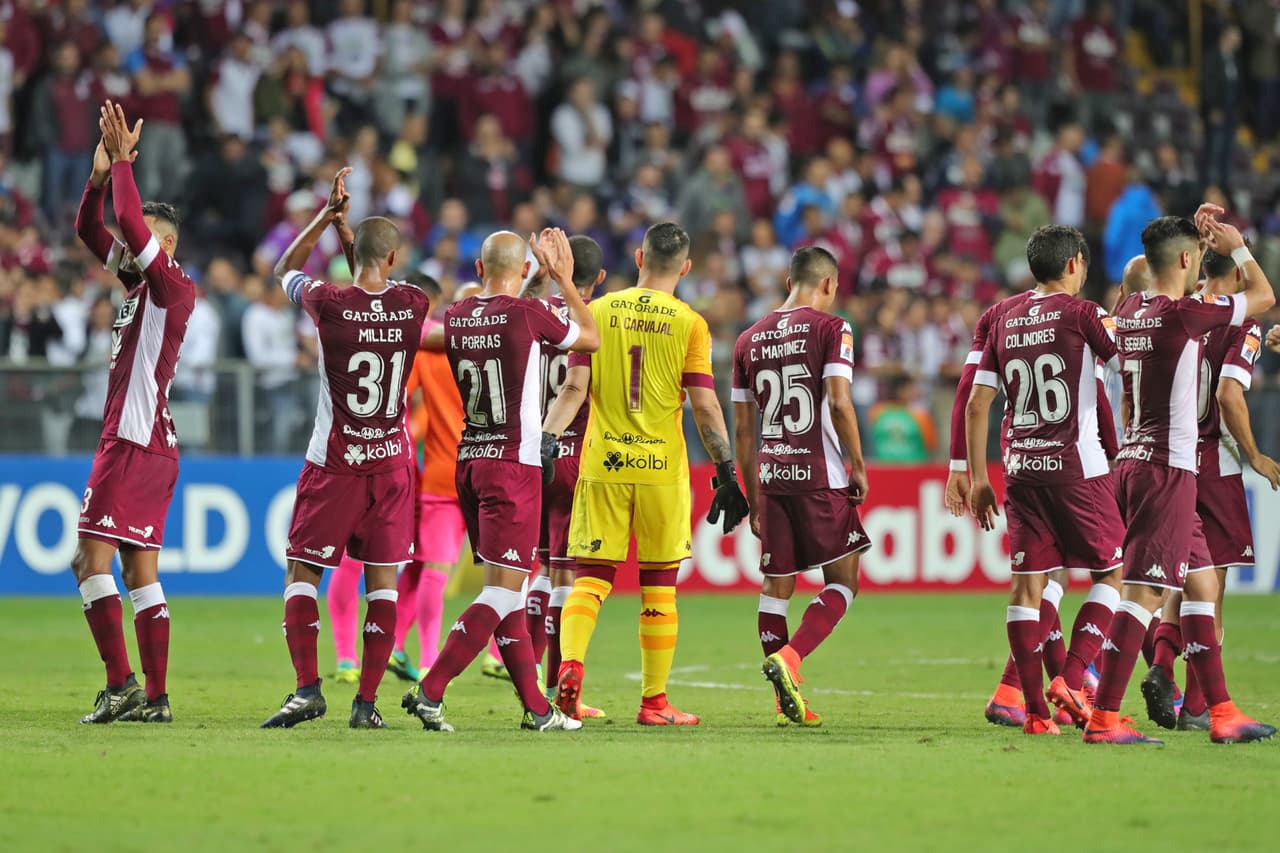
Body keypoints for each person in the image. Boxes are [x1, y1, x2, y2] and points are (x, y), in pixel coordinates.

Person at [1079, 210, 1276, 744]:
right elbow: (1262, 298)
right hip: (1166, 467)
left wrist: (1185, 234)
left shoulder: (1132, 306)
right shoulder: (1185, 314)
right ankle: (1103, 719)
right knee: (1144, 594)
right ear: (1189, 260)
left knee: (1203, 584)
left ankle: (1221, 713)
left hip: (1139, 460)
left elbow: (1147, 267)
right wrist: (1235, 246)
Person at [401, 229, 598, 733]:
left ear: (477, 271)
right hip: (515, 465)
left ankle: (536, 709)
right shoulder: (529, 314)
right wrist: (564, 279)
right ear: (524, 271)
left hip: (471, 460)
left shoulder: (459, 316)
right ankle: (431, 689)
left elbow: (428, 332)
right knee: (500, 593)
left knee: (505, 592)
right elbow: (590, 337)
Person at [554, 222, 749, 725]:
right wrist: (727, 471)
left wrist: (548, 440)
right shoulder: (690, 324)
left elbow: (574, 388)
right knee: (659, 587)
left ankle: (570, 672)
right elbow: (705, 407)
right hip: (662, 469)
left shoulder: (597, 310)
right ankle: (654, 703)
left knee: (591, 581)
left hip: (603, 463)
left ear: (639, 257)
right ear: (685, 267)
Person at [260, 169, 430, 730]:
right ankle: (367, 705)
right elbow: (375, 277)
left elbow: (283, 269)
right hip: (391, 464)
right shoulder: (413, 303)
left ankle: (307, 688)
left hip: (334, 462)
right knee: (381, 582)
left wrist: (326, 219)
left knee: (301, 573)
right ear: (396, 256)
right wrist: (349, 230)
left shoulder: (327, 301)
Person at [944, 262, 1120, 729]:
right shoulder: (1085, 314)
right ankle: (1074, 674)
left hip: (1020, 468)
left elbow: (976, 398)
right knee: (1115, 573)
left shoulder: (1001, 316)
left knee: (1030, 584)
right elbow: (1134, 359)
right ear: (1074, 264)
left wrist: (973, 475)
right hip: (1079, 466)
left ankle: (1033, 712)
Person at [71, 101, 194, 724]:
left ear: (163, 245)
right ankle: (158, 697)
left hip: (132, 438)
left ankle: (121, 684)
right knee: (136, 570)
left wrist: (122, 163)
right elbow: (91, 229)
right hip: (148, 440)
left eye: (140, 238)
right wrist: (97, 178)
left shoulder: (172, 285)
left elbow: (123, 216)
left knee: (87, 561)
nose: (126, 244)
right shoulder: (140, 287)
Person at [1139, 245, 1280, 731]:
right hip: (1215, 464)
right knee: (1211, 589)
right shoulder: (1242, 321)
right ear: (1240, 275)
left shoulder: (1182, 307)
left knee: (1182, 576)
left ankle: (1162, 667)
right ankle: (1199, 705)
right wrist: (1255, 455)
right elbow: (1227, 392)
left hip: (1167, 461)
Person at [730, 246, 870, 726]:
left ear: (789, 281)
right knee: (844, 581)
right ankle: (789, 660)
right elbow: (838, 401)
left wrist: (752, 496)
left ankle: (783, 697)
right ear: (828, 284)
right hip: (820, 474)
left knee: (775, 586)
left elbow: (744, 431)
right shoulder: (834, 328)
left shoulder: (748, 339)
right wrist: (857, 462)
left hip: (771, 476)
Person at [533, 234, 608, 717]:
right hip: (574, 451)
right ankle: (558, 693)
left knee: (539, 568)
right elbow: (583, 386)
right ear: (599, 279)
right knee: (567, 573)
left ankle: (534, 683)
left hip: (530, 449)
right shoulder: (595, 319)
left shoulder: (532, 312)